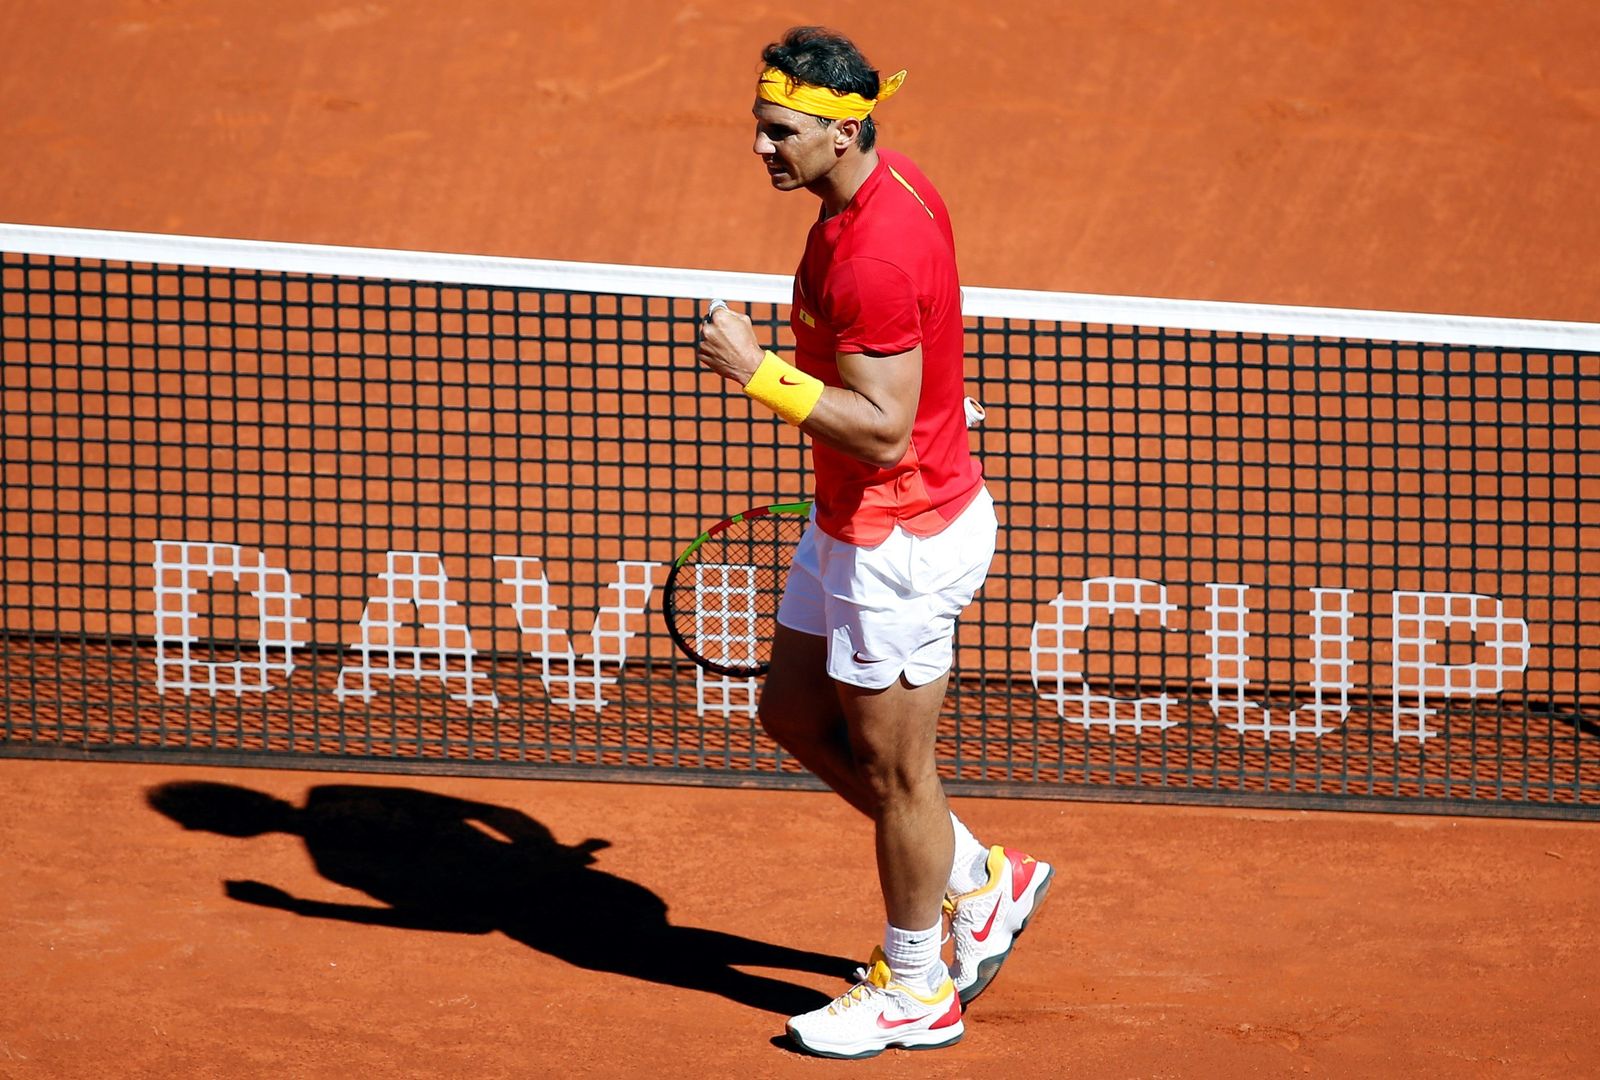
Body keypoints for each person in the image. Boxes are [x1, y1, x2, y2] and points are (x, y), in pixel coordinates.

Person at [695, 26, 1053, 1059]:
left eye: (780, 132)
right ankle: (980, 879)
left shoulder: (873, 255)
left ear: (842, 131)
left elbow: (884, 426)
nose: (761, 147)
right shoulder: (883, 190)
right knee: (792, 713)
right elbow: (909, 371)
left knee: (899, 779)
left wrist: (756, 371)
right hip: (854, 517)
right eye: (760, 126)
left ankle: (915, 987)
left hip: (896, 540)